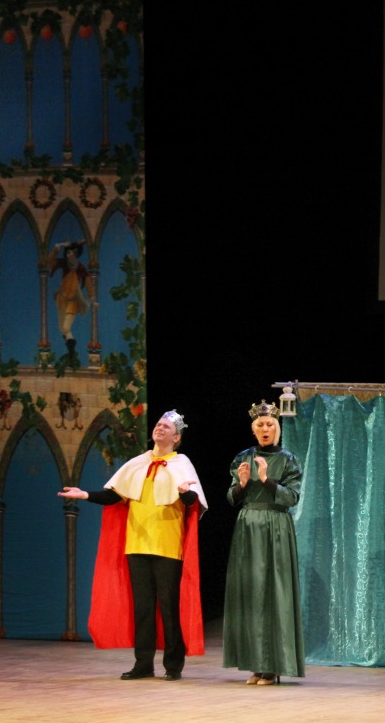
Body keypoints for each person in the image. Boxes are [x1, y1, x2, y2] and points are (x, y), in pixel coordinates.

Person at [59, 409, 207, 681]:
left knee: (169, 608)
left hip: (167, 546)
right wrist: (85, 494)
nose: (159, 429)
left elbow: (192, 503)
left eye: (165, 427)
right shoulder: (138, 463)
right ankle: (143, 664)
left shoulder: (182, 464)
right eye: (158, 425)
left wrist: (186, 493)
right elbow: (114, 495)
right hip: (137, 545)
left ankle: (173, 666)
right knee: (143, 608)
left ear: (176, 437)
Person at [223, 400, 305, 685]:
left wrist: (267, 480)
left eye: (270, 424)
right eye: (260, 425)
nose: (265, 429)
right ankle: (255, 664)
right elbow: (231, 498)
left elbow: (292, 497)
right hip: (248, 527)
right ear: (253, 429)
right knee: (251, 593)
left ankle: (272, 665)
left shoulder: (288, 459)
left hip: (275, 527)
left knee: (273, 593)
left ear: (277, 428)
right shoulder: (242, 457)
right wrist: (243, 484)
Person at [50, 239, 90, 359]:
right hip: (62, 298)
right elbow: (49, 261)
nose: (70, 255)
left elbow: (87, 281)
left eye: (73, 252)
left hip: (73, 299)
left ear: (77, 254)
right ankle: (71, 351)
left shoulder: (80, 267)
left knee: (66, 327)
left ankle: (71, 353)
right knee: (62, 328)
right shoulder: (64, 264)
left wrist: (92, 297)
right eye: (68, 253)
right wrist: (59, 245)